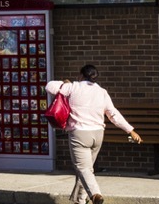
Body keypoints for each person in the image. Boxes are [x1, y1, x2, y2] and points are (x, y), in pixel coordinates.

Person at [46, 64, 142, 204]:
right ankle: (80, 200)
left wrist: (64, 83)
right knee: (87, 169)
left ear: (80, 75)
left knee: (83, 168)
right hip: (97, 134)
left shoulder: (73, 87)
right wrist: (130, 130)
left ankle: (96, 194)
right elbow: (113, 114)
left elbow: (49, 86)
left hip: (80, 134)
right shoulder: (102, 92)